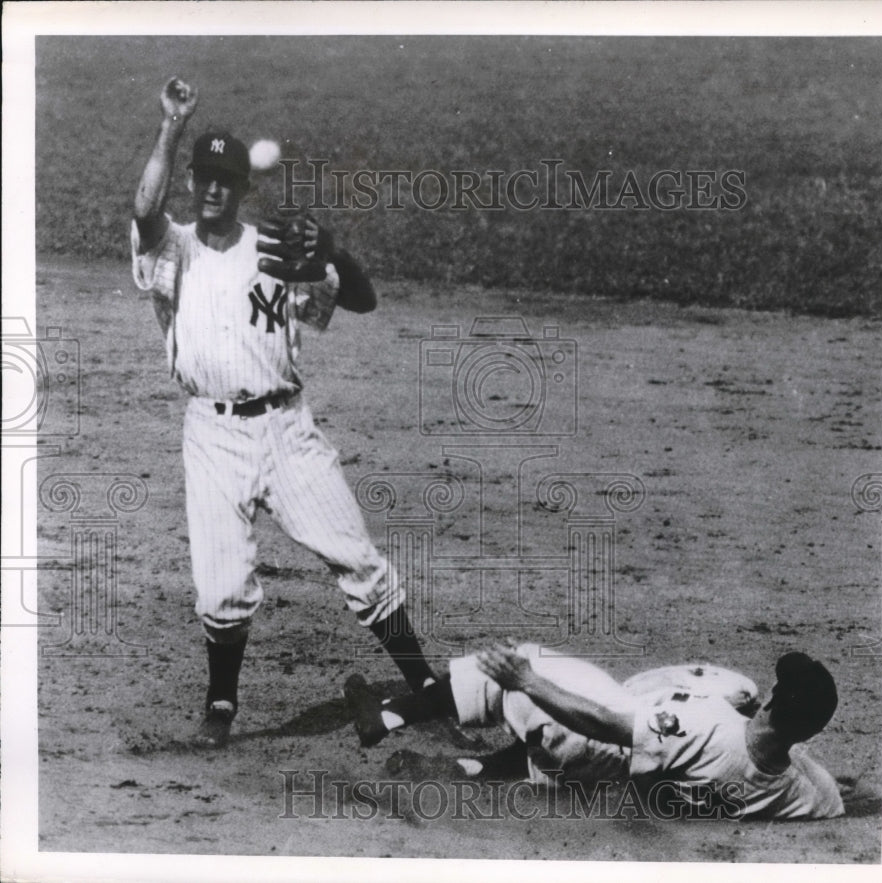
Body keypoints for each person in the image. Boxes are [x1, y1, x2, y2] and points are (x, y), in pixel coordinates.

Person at [131, 77, 436, 748]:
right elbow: (144, 206)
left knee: (359, 561)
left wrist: (331, 250)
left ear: (241, 189)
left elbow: (361, 300)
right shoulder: (169, 249)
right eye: (203, 177)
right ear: (193, 183)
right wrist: (171, 126)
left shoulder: (272, 250)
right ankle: (221, 704)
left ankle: (426, 687)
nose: (213, 189)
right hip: (211, 435)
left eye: (225, 180)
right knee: (219, 589)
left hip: (287, 431)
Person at [344, 642, 845, 820]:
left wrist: (528, 680)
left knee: (526, 672)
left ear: (776, 702)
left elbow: (603, 722)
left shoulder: (706, 725)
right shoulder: (805, 794)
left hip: (600, 747)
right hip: (614, 783)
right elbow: (827, 795)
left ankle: (389, 715)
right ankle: (462, 770)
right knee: (548, 753)